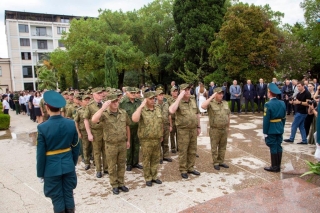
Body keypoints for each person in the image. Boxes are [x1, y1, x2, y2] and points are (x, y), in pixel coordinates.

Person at [36, 90, 80, 213]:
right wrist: (72, 163)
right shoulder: (70, 123)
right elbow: (76, 146)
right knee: (68, 194)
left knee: (57, 197)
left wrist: (40, 173)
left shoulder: (42, 127)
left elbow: (40, 154)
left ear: (46, 107)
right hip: (68, 165)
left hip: (51, 168)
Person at [92, 93, 131, 194]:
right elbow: (94, 119)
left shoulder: (123, 112)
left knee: (122, 164)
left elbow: (127, 126)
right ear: (108, 103)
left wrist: (128, 140)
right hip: (111, 145)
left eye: (117, 101)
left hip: (122, 143)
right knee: (112, 165)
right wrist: (102, 108)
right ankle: (114, 184)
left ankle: (121, 183)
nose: (115, 103)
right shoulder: (104, 114)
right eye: (113, 101)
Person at [169, 83, 201, 179]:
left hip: (193, 129)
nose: (188, 91)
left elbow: (197, 114)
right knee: (183, 150)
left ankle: (190, 167)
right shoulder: (177, 101)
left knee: (192, 150)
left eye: (189, 89)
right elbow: (171, 110)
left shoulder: (192, 100)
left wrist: (198, 127)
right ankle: (183, 169)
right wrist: (179, 98)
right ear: (181, 91)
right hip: (183, 130)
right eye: (185, 90)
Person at [132, 91, 163, 186]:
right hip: (146, 140)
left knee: (155, 159)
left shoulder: (158, 108)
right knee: (146, 159)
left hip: (157, 138)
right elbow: (134, 119)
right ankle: (148, 177)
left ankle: (154, 176)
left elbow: (160, 122)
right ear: (145, 99)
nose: (153, 100)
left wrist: (161, 134)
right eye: (150, 98)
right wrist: (141, 106)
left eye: (154, 98)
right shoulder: (142, 110)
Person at [201, 87, 230, 171]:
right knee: (214, 147)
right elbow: (203, 106)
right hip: (215, 129)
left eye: (222, 93)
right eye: (219, 93)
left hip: (224, 129)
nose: (221, 95)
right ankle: (216, 162)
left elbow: (228, 115)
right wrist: (211, 97)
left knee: (223, 146)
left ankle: (221, 161)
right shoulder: (211, 104)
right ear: (215, 94)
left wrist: (228, 127)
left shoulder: (225, 103)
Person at [83, 87, 108, 178]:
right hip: (95, 131)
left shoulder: (105, 103)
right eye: (98, 93)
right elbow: (85, 120)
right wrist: (89, 133)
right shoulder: (90, 106)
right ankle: (98, 170)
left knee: (106, 150)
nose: (101, 94)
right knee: (97, 152)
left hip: (105, 130)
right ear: (93, 95)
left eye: (101, 93)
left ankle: (106, 168)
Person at [262, 83, 286, 172]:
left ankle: (274, 167)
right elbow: (284, 118)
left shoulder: (268, 104)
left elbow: (266, 120)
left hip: (271, 129)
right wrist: (281, 127)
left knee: (273, 146)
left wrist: (265, 132)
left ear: (269, 93)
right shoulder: (282, 103)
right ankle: (278, 166)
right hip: (279, 127)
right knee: (279, 146)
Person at [119, 87, 143, 171]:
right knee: (128, 145)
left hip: (137, 127)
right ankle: (129, 163)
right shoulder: (122, 103)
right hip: (127, 128)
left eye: (134, 92)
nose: (133, 94)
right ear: (127, 93)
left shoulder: (139, 102)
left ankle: (135, 162)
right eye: (131, 92)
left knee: (136, 145)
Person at [74, 95, 92, 170]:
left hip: (93, 130)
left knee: (94, 147)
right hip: (84, 131)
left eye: (89, 100)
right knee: (85, 147)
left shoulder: (92, 109)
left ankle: (94, 160)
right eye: (86, 100)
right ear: (82, 101)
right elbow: (76, 122)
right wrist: (78, 132)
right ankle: (87, 162)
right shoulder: (79, 110)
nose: (87, 101)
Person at [156, 90, 172, 164]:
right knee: (159, 141)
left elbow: (169, 115)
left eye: (162, 95)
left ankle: (166, 155)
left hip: (166, 125)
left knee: (165, 141)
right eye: (159, 95)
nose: (161, 96)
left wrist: (170, 125)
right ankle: (159, 156)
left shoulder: (166, 104)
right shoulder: (154, 105)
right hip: (158, 126)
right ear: (156, 96)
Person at [168, 86, 179, 153]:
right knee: (172, 134)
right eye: (174, 91)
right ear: (171, 92)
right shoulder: (169, 100)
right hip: (172, 119)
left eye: (176, 91)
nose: (175, 92)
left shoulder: (180, 99)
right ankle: (173, 147)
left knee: (179, 134)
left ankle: (179, 147)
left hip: (179, 119)